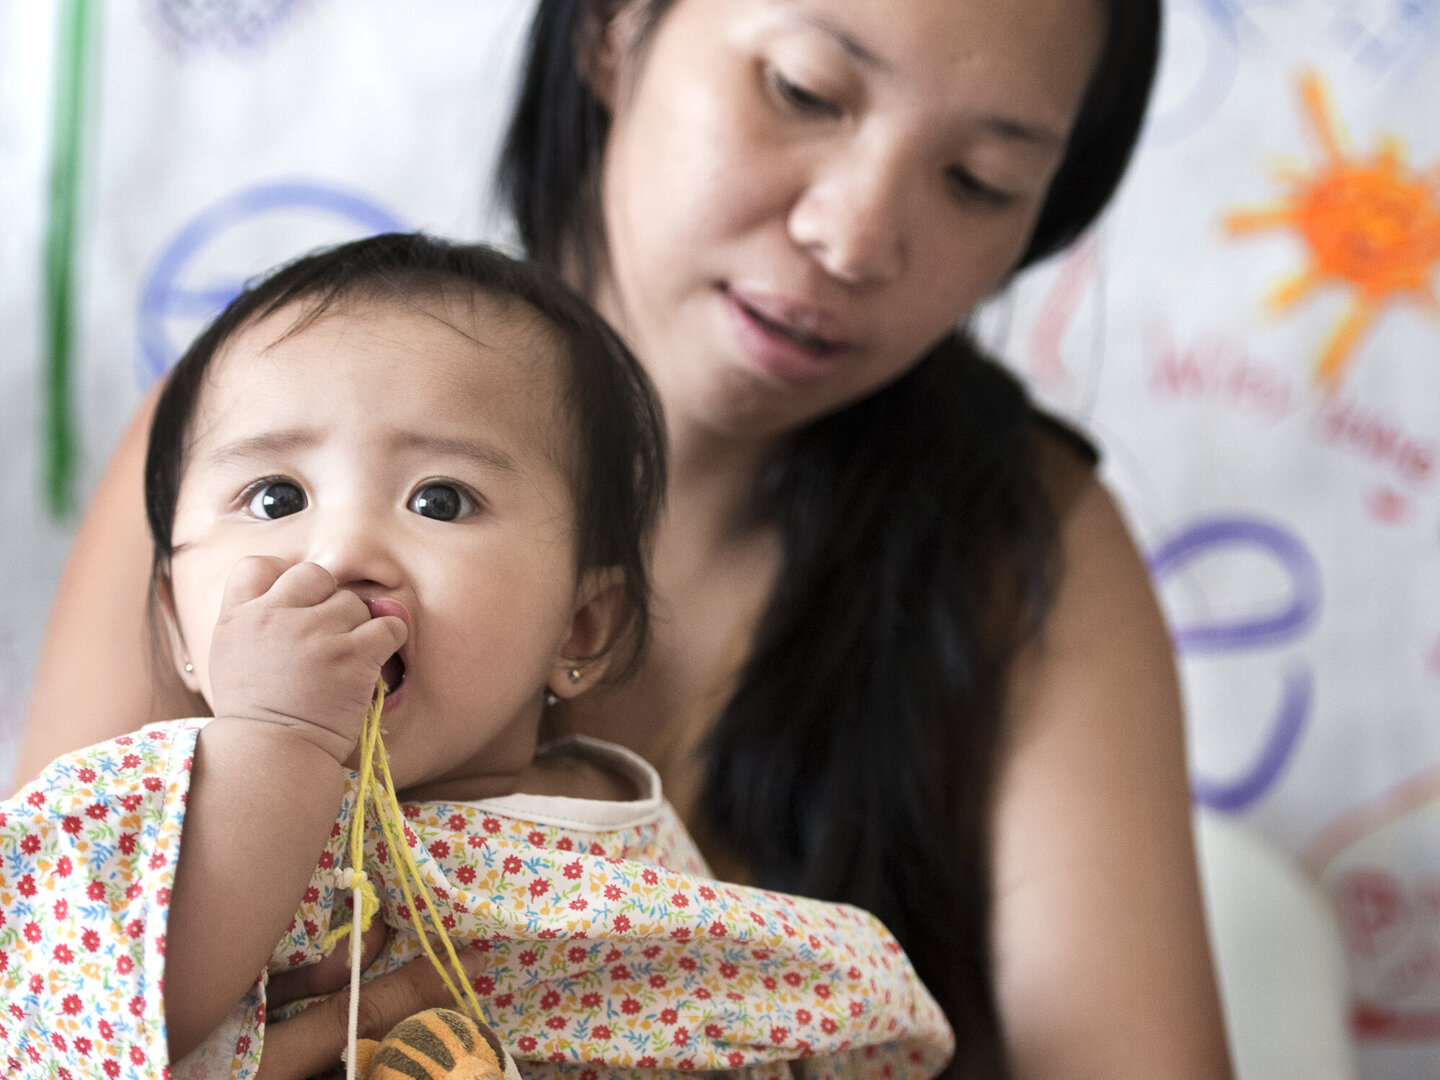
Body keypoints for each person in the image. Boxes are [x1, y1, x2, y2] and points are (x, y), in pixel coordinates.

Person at [17, 2, 1235, 1077]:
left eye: (977, 179)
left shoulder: (1023, 550)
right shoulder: (242, 439)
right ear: (614, 26)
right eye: (806, 91)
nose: (854, 236)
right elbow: (52, 994)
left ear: (588, 624)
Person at [1, 233, 952, 1080]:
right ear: (179, 626)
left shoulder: (624, 841)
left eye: (440, 500)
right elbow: (100, 1022)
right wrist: (278, 736)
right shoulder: (142, 817)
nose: (341, 553)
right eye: (275, 498)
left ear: (581, 629)